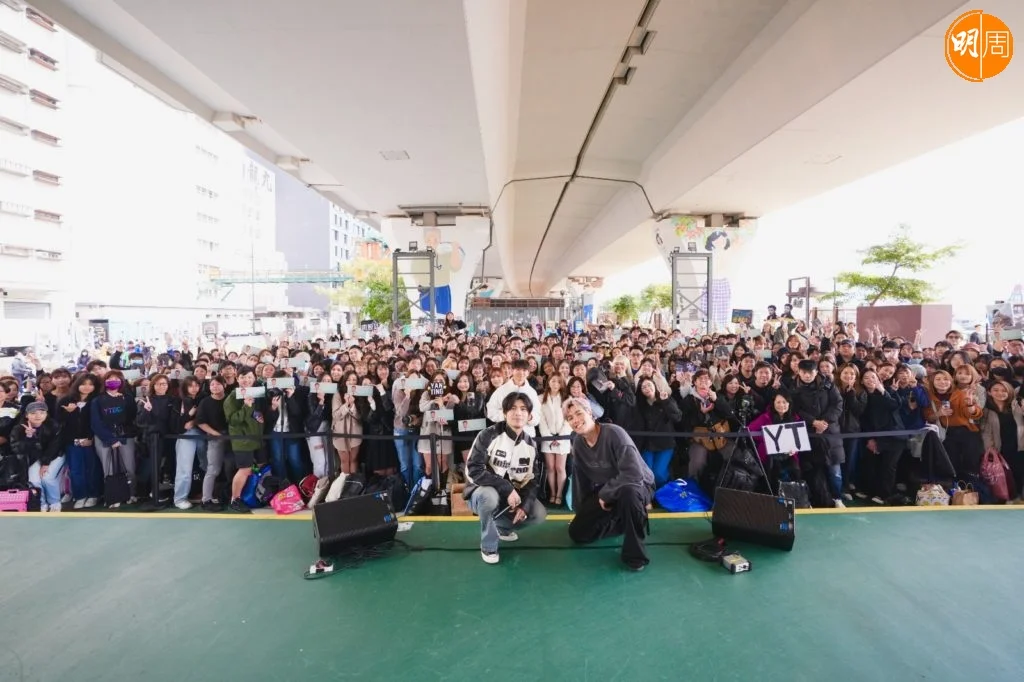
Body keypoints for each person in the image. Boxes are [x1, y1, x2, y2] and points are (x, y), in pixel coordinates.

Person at [562, 396, 654, 571]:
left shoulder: (614, 433)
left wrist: (606, 494)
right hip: (609, 489)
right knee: (578, 533)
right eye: (570, 418)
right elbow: (581, 481)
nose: (575, 420)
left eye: (579, 413)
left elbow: (633, 474)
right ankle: (623, 521)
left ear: (590, 413)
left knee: (629, 493)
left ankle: (635, 555)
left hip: (638, 484)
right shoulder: (578, 443)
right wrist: (581, 512)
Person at [463, 392, 547, 564]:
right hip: (480, 493)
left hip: (511, 499)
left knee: (538, 513)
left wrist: (525, 505)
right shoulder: (488, 435)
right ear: (504, 412)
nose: (518, 413)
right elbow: (474, 470)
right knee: (489, 497)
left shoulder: (531, 444)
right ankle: (488, 545)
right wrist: (506, 488)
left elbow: (533, 480)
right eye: (513, 408)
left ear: (529, 416)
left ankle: (502, 528)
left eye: (523, 409)